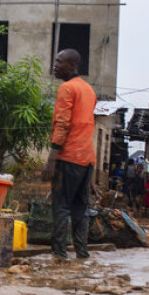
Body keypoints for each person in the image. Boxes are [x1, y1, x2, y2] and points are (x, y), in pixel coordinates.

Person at [41, 49, 97, 260]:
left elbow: (63, 124)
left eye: (59, 62)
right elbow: (86, 126)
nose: (55, 65)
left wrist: (51, 160)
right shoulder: (89, 90)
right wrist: (90, 172)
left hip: (68, 156)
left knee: (61, 206)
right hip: (86, 159)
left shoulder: (67, 88)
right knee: (81, 208)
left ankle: (59, 254)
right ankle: (82, 253)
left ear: (72, 66)